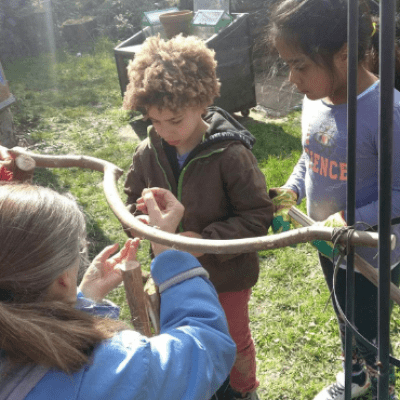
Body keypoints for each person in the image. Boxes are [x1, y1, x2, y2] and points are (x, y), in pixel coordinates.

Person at [122, 34, 274, 400]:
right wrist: (139, 219)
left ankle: (242, 391)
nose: (164, 131)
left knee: (232, 338)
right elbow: (130, 199)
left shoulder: (231, 154)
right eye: (154, 120)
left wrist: (200, 243)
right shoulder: (149, 151)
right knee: (183, 334)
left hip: (226, 276)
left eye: (174, 120)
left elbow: (257, 216)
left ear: (202, 102)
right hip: (171, 274)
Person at [267, 0, 400, 399]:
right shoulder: (314, 102)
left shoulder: (387, 112)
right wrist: (293, 188)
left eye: (300, 65)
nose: (292, 79)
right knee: (345, 314)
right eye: (287, 65)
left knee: (369, 325)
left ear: (344, 52)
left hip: (370, 257)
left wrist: (348, 220)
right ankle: (356, 372)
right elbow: (310, 155)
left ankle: (380, 386)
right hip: (329, 244)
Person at [0, 182, 236, 399]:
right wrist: (167, 248)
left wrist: (84, 300)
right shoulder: (105, 368)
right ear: (62, 279)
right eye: (79, 251)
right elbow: (207, 347)